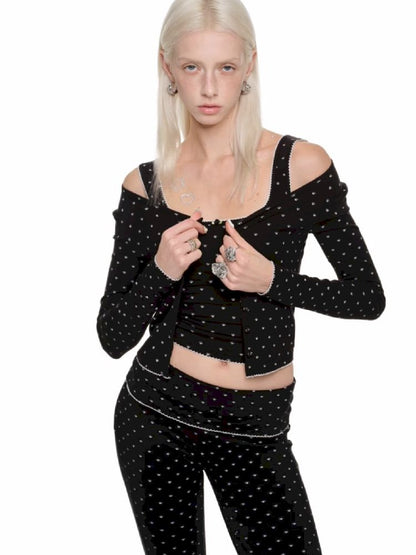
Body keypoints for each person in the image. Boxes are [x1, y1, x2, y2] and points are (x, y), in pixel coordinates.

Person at [96, 0, 386, 552]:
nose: (209, 87)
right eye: (192, 67)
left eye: (225, 67)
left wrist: (272, 280)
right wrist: (160, 270)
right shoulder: (145, 186)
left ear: (249, 66)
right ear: (167, 68)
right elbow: (112, 337)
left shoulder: (300, 165)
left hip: (256, 423)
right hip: (154, 411)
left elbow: (367, 297)